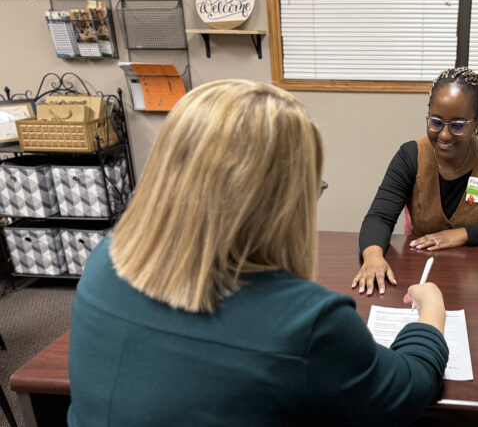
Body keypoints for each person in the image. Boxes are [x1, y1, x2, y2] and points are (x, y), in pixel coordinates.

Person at [68, 80, 449, 426]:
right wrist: (430, 314)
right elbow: (411, 387)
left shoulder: (104, 262)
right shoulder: (308, 322)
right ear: (283, 200)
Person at [353, 67, 478, 296]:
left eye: (457, 125)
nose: (444, 135)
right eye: (436, 122)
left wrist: (464, 234)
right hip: (419, 276)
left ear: (477, 121)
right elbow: (380, 216)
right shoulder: (410, 156)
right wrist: (373, 256)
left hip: (474, 281)